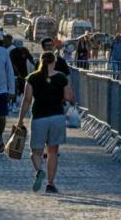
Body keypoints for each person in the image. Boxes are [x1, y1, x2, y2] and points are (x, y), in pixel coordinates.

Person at [17, 51, 75, 195]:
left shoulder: (32, 78)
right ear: (54, 62)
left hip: (39, 118)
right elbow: (69, 96)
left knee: (35, 152)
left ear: (40, 62)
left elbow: (27, 99)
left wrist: (20, 120)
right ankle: (50, 183)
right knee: (53, 152)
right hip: (57, 117)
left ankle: (40, 171)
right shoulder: (61, 77)